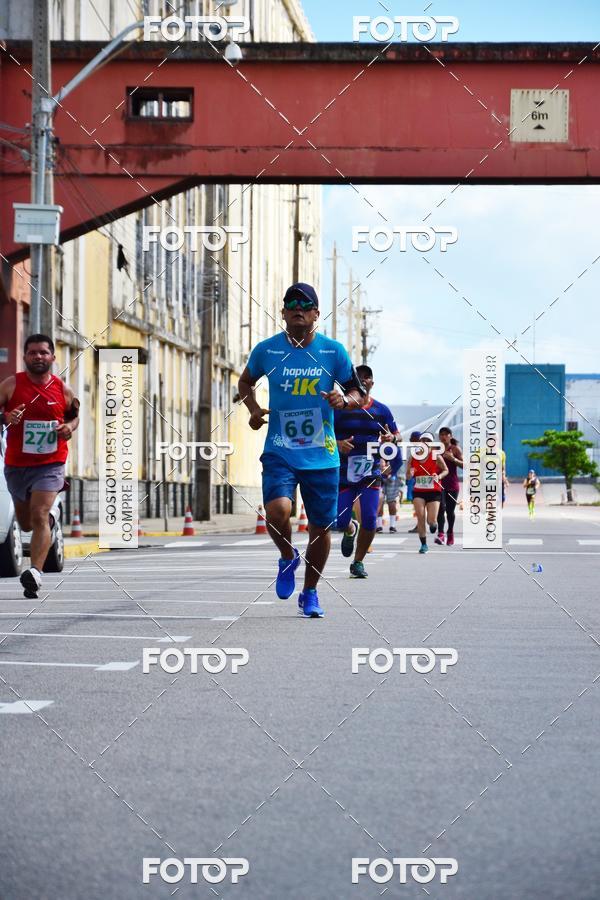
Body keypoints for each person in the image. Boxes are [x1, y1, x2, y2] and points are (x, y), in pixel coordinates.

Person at [238, 283, 365, 618]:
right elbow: (244, 382)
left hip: (321, 453)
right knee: (278, 510)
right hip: (280, 448)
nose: (297, 308)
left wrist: (344, 399)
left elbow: (358, 392)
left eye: (305, 305)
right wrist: (253, 410)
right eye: (290, 304)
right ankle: (286, 555)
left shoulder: (332, 352)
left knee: (321, 527)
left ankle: (310, 592)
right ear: (282, 313)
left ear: (315, 314)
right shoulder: (267, 351)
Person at [0, 335, 80, 598]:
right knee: (25, 524)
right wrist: (6, 417)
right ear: (25, 357)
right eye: (33, 352)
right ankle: (51, 520)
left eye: (44, 353)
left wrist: (68, 428)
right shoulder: (11, 385)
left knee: (38, 514)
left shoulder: (62, 390)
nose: (38, 357)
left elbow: (74, 415)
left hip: (51, 462)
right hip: (17, 464)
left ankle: (35, 572)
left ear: (52, 358)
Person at [334, 365, 400, 577]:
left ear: (372, 382)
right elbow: (320, 436)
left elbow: (397, 437)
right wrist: (337, 443)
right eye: (358, 378)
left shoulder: (381, 410)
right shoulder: (337, 410)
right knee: (340, 521)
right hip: (343, 472)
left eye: (366, 377)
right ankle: (350, 528)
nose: (362, 381)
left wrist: (391, 439)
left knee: (371, 519)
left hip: (370, 472)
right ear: (350, 383)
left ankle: (358, 562)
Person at [408, 432, 448, 554]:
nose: (425, 442)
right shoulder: (413, 457)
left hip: (434, 491)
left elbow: (446, 470)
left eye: (428, 440)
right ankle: (424, 544)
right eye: (423, 440)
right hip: (418, 491)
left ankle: (433, 524)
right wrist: (411, 473)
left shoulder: (436, 456)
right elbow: (408, 475)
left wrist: (439, 475)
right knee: (420, 517)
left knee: (431, 520)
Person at [435, 428, 463, 546]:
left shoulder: (455, 449)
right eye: (441, 435)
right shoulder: (436, 449)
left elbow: (465, 465)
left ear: (450, 436)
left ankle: (450, 532)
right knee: (440, 509)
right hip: (439, 483)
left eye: (446, 435)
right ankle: (441, 534)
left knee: (450, 511)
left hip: (452, 484)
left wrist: (453, 459)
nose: (444, 437)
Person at [377, 448, 403, 532]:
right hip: (388, 476)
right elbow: (399, 462)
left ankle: (382, 526)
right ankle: (390, 526)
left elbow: (399, 462)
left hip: (383, 477)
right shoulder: (395, 447)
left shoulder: (379, 445)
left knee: (384, 501)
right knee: (389, 501)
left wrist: (389, 472)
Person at [406, 430, 421, 533]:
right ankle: (419, 524)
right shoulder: (418, 449)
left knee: (417, 502)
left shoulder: (417, 450)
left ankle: (419, 525)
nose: (410, 439)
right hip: (414, 478)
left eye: (412, 437)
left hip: (415, 479)